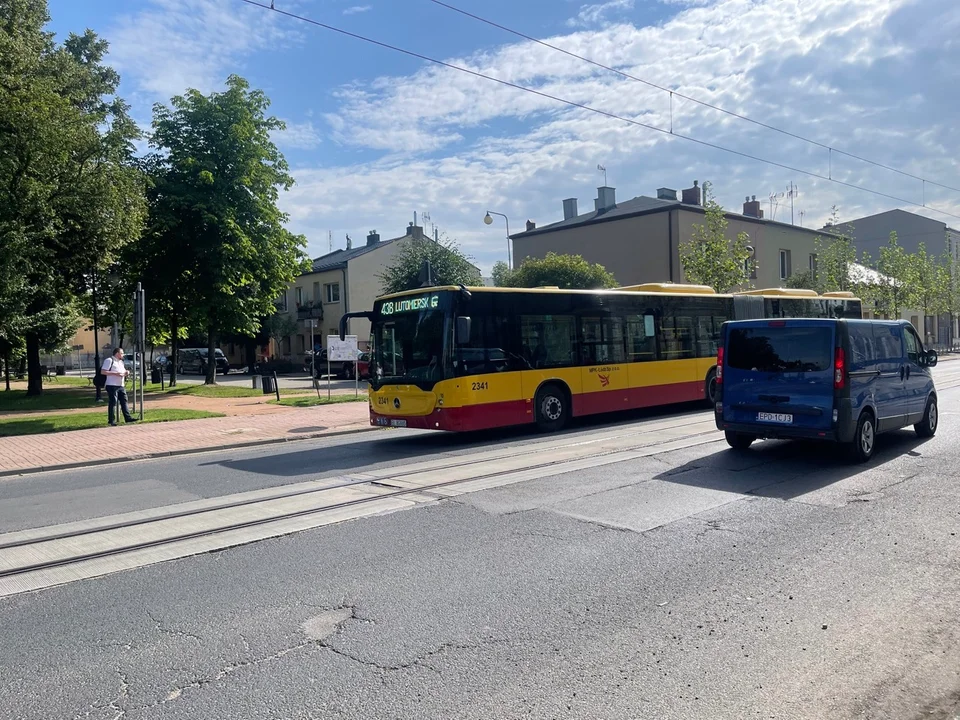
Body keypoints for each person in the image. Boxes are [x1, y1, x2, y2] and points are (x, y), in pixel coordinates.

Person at [101, 348, 137, 426]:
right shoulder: (109, 360)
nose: (123, 354)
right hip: (111, 385)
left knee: (124, 401)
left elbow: (122, 371)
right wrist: (115, 373)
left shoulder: (121, 362)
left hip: (121, 385)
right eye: (122, 353)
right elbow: (103, 371)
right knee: (113, 402)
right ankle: (111, 420)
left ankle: (128, 418)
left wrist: (126, 372)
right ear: (117, 353)